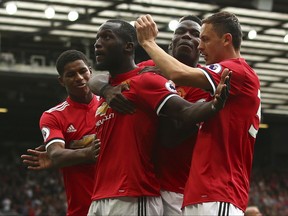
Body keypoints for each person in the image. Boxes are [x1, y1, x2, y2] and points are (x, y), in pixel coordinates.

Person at [87, 19, 230, 216]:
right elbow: (101, 77)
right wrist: (107, 90)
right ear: (169, 45)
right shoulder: (147, 69)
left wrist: (155, 100)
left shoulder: (203, 88)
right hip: (139, 183)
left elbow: (170, 138)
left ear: (201, 49)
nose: (187, 36)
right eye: (180, 31)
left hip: (177, 188)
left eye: (194, 34)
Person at [135, 11, 261, 215]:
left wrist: (148, 42)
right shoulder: (225, 78)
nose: (200, 47)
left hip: (218, 191)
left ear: (226, 39)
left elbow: (178, 74)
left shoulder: (236, 71)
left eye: (204, 39)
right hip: (201, 192)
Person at [21, 50, 100, 216]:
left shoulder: (111, 103)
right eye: (70, 74)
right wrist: (88, 152)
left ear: (90, 71)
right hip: (82, 209)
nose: (79, 78)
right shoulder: (53, 116)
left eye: (82, 71)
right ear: (61, 81)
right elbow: (56, 154)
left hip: (120, 202)